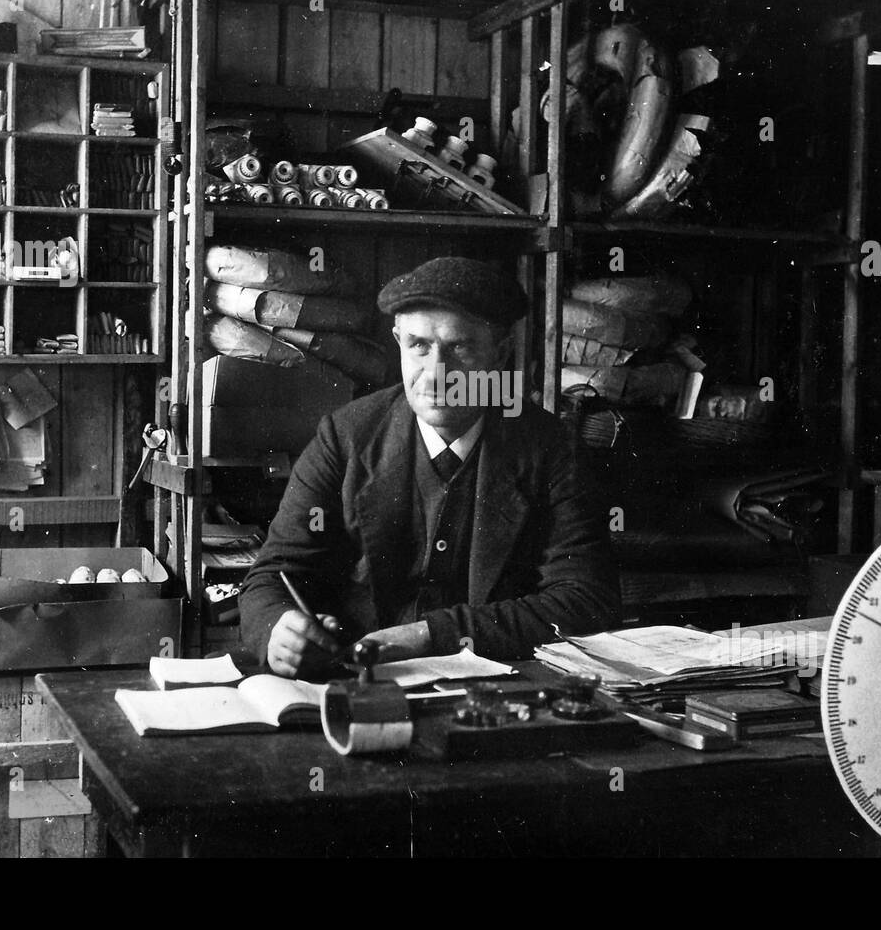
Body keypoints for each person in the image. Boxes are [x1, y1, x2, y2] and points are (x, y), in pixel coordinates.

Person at [239, 256, 620, 678]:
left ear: (501, 354)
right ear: (398, 342)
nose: (437, 374)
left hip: (499, 693)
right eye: (418, 346)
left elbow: (586, 599)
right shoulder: (346, 436)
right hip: (354, 684)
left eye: (460, 347)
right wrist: (278, 629)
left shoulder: (549, 447)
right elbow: (272, 576)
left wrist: (431, 636)